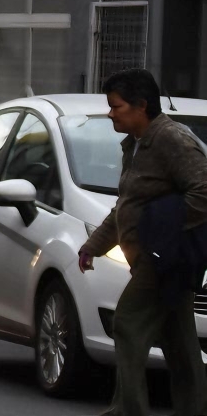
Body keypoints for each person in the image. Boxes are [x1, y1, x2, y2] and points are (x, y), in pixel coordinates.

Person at [79, 69, 207, 416]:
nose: (110, 114)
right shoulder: (134, 144)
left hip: (165, 258)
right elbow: (127, 205)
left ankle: (128, 409)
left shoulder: (171, 139)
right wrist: (93, 246)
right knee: (179, 339)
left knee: (127, 322)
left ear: (141, 106)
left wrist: (165, 232)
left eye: (116, 106)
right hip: (154, 257)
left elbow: (203, 191)